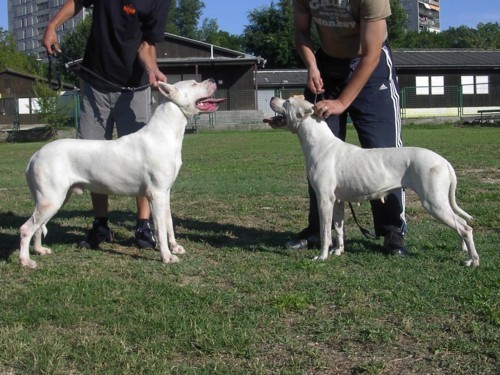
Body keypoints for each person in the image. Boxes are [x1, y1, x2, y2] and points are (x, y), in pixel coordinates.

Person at [42, 0, 171, 249]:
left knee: (144, 160)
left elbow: (147, 43)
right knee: (91, 156)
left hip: (134, 86)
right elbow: (76, 2)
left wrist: (152, 69)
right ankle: (100, 225)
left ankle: (143, 226)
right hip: (95, 82)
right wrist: (52, 25)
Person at [288, 0, 407, 255]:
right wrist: (311, 65)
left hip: (371, 68)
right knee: (319, 154)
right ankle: (319, 231)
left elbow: (371, 54)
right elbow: (301, 31)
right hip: (327, 65)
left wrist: (342, 101)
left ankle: (392, 230)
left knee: (383, 150)